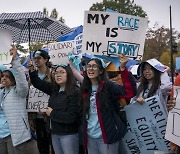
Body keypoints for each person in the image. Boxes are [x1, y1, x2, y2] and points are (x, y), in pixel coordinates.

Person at [78, 54, 135, 154]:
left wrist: (123, 68)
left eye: (94, 66)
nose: (91, 68)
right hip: (90, 136)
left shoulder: (108, 86)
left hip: (107, 135)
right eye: (89, 66)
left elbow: (129, 92)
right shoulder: (84, 89)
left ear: (100, 71)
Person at [28, 61, 80, 154]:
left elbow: (72, 116)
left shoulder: (75, 92)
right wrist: (32, 70)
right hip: (54, 133)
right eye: (56, 72)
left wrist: (52, 113)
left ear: (69, 74)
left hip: (68, 135)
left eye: (62, 72)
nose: (58, 75)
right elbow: (38, 83)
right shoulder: (54, 89)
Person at [0, 46, 39, 154]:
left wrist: (15, 61)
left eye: (7, 76)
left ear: (13, 79)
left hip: (14, 135)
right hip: (1, 135)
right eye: (3, 76)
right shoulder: (1, 92)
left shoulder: (19, 91)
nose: (4, 78)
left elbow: (21, 81)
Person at [28, 49, 54, 154]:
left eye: (39, 58)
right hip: (37, 118)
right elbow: (29, 97)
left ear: (46, 59)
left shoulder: (52, 74)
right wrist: (30, 117)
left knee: (53, 144)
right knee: (41, 146)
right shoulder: (31, 77)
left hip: (50, 117)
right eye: (35, 58)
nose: (36, 60)